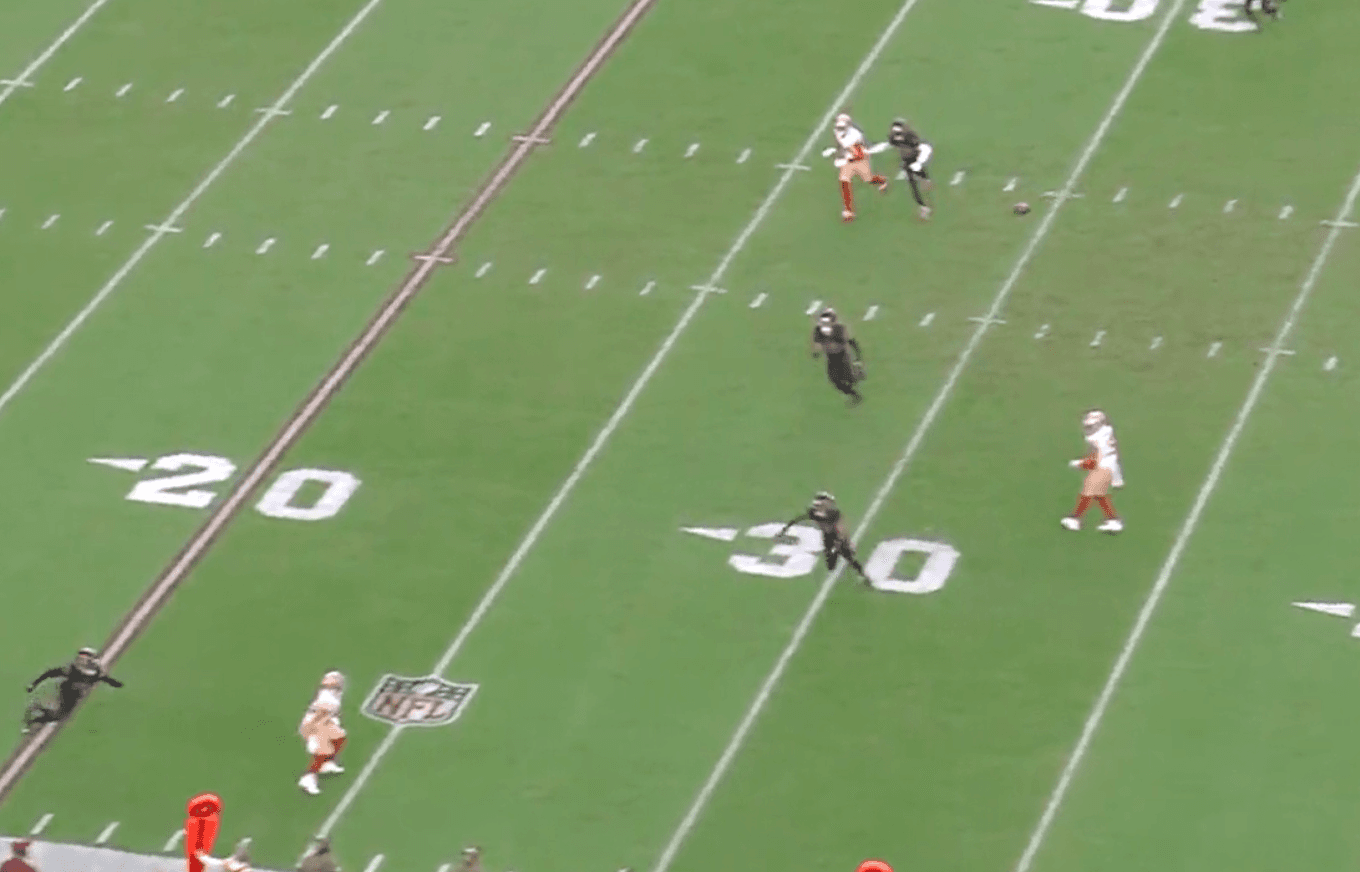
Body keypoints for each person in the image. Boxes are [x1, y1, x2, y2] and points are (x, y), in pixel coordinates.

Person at [23, 648, 123, 734]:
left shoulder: (83, 671)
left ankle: (38, 713)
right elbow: (51, 673)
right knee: (60, 715)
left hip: (74, 692)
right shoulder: (78, 671)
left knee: (61, 715)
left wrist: (34, 684)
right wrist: (34, 684)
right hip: (69, 692)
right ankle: (36, 715)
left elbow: (50, 673)